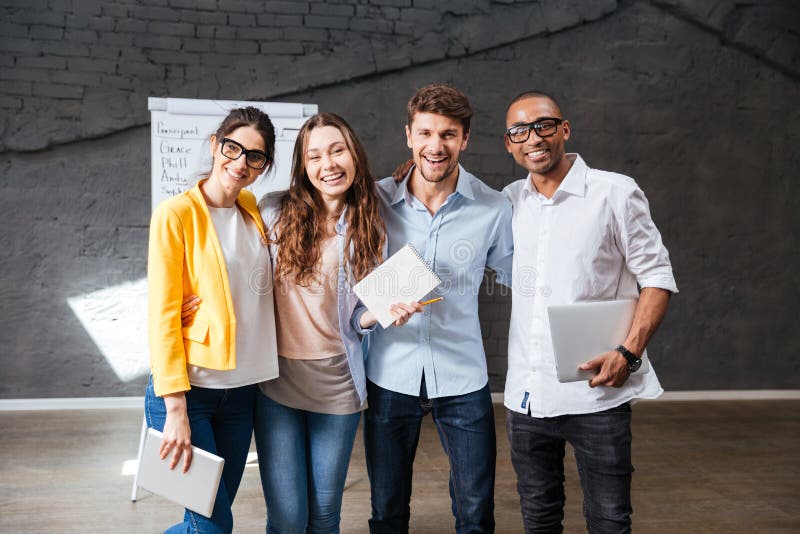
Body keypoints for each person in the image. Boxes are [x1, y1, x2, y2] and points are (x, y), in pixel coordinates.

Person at [501, 91, 678, 533]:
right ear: (509, 144)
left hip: (598, 391)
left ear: (564, 129)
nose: (533, 138)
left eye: (543, 125)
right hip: (527, 395)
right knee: (538, 518)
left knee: (609, 519)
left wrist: (629, 352)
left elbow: (657, 276)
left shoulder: (615, 192)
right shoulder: (507, 202)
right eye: (519, 130)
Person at [254, 112, 421, 534]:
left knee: (325, 515)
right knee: (288, 519)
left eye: (337, 150)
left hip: (338, 384)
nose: (327, 164)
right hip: (275, 381)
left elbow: (356, 317)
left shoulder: (370, 223)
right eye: (315, 156)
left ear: (353, 154)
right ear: (304, 167)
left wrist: (384, 312)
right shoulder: (272, 211)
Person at [363, 83, 514, 534]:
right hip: (390, 374)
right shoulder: (373, 200)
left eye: (448, 134)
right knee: (387, 512)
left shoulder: (494, 207)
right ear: (409, 135)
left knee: (475, 512)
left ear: (464, 140)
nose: (436, 145)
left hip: (463, 375)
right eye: (426, 132)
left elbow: (522, 282)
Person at [146, 106, 280, 533]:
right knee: (214, 525)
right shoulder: (176, 214)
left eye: (254, 157)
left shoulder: (252, 209)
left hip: (241, 395)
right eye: (232, 148)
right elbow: (163, 315)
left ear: (263, 167)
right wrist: (176, 409)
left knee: (203, 521)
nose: (240, 163)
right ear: (215, 145)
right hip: (191, 393)